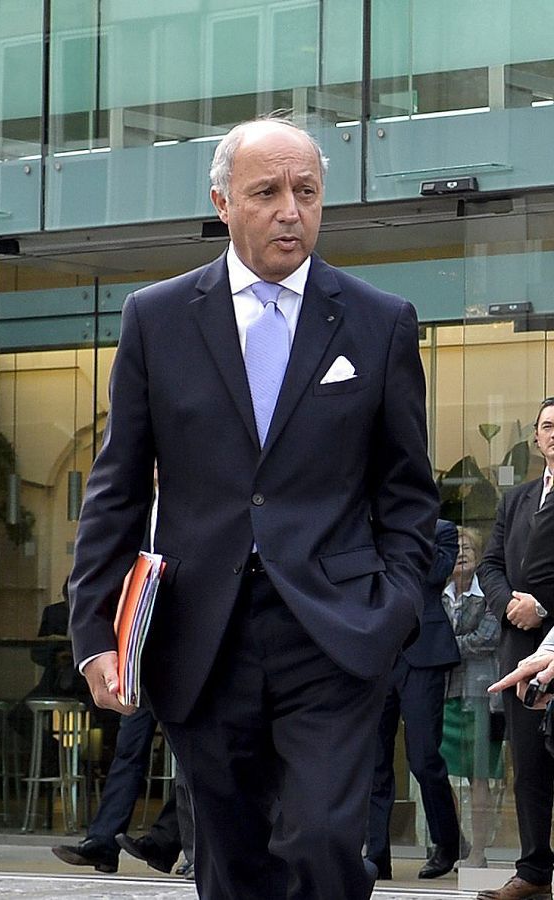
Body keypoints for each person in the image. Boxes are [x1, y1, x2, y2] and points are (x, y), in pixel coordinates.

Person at [67, 113, 437, 900]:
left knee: (328, 839)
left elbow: (408, 491)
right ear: (222, 201)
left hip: (336, 628)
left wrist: (397, 603)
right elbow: (119, 485)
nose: (289, 210)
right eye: (266, 192)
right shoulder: (156, 318)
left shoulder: (379, 321)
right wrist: (94, 629)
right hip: (202, 631)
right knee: (231, 860)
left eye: (305, 191)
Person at [478, 400, 554, 900]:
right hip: (518, 648)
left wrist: (544, 608)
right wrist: (512, 605)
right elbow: (488, 564)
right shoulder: (517, 499)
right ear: (535, 437)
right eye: (548, 426)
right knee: (527, 764)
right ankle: (533, 874)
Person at [366, 518, 463, 880]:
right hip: (378, 654)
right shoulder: (367, 530)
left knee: (424, 758)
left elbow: (434, 576)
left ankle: (447, 843)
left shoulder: (441, 530)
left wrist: (405, 532)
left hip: (424, 653)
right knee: (375, 761)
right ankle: (377, 854)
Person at [442, 526, 505, 869]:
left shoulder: (489, 594)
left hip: (481, 692)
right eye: (454, 548)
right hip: (446, 693)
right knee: (439, 771)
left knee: (480, 775)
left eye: (467, 547)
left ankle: (479, 851)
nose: (461, 553)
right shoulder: (440, 593)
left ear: (480, 555)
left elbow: (488, 638)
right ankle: (458, 844)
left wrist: (446, 646)